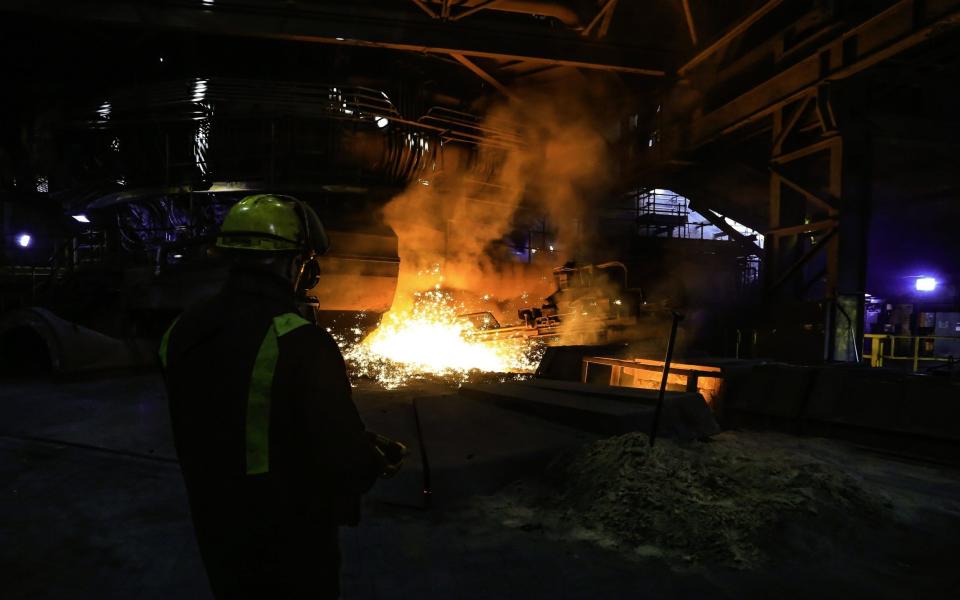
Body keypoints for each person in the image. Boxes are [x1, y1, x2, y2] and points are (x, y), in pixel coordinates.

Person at [159, 194, 404, 599]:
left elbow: (227, 407)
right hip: (288, 533)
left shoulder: (181, 330)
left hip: (212, 518)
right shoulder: (300, 341)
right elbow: (341, 456)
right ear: (296, 265)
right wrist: (371, 458)